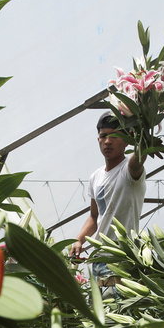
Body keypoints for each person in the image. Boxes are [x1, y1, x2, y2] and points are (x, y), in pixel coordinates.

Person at [68, 113, 146, 286]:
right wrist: (79, 239)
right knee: (100, 304)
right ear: (98, 140)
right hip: (99, 259)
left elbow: (139, 158)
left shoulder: (129, 170)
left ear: (127, 140)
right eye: (103, 136)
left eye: (115, 136)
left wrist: (144, 128)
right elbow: (94, 216)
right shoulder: (95, 177)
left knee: (118, 302)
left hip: (122, 257)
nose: (108, 141)